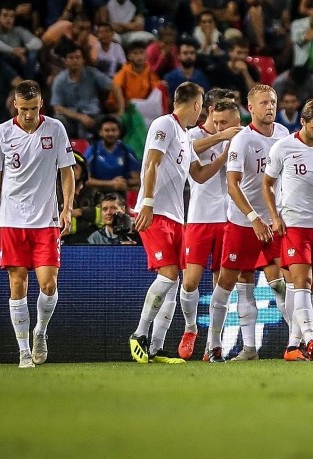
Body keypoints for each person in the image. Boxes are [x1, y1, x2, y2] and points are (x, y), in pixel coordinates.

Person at [127, 82, 233, 364]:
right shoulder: (163, 124)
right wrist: (147, 204)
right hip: (156, 212)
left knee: (173, 283)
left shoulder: (184, 136)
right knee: (168, 276)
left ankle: (156, 348)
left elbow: (197, 174)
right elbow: (151, 163)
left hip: (176, 216)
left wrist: (223, 156)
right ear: (197, 105)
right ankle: (139, 334)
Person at [0, 80, 76, 368]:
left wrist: (68, 208)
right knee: (17, 284)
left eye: (33, 109)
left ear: (41, 105)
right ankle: (23, 350)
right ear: (15, 104)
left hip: (46, 220)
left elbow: (67, 172)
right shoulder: (1, 133)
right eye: (23, 109)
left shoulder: (55, 129)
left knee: (48, 285)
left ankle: (40, 332)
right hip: (11, 221)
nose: (28, 115)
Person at [207, 84, 290, 362]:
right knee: (228, 286)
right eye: (264, 102)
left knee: (281, 285)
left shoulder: (283, 134)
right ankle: (215, 346)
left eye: (273, 102)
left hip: (274, 222)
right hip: (243, 223)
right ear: (250, 107)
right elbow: (232, 185)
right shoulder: (243, 140)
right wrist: (254, 218)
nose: (270, 107)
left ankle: (297, 344)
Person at [261, 99, 313, 361]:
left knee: (311, 286)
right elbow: (267, 184)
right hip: (294, 225)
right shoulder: (283, 147)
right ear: (303, 122)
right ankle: (310, 337)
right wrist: (274, 216)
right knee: (301, 281)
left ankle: (293, 346)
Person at [177, 96, 242, 360]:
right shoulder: (193, 134)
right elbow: (199, 174)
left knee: (222, 286)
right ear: (210, 112)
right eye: (216, 121)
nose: (220, 126)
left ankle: (213, 345)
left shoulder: (241, 137)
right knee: (190, 281)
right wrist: (222, 142)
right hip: (199, 218)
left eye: (225, 123)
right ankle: (190, 327)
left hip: (228, 219)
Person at [51, 45, 125, 140]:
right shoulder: (59, 80)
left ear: (83, 60)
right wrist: (80, 117)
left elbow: (114, 87)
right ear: (65, 61)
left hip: (94, 117)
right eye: (71, 58)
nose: (75, 61)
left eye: (78, 57)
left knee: (115, 123)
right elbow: (57, 107)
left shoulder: (92, 73)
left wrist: (121, 111)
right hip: (71, 119)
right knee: (58, 120)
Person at [83, 116, 140, 193]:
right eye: (107, 130)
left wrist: (122, 182)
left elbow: (137, 180)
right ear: (100, 132)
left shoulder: (127, 151)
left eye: (114, 130)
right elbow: (86, 180)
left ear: (119, 132)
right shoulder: (93, 150)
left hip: (121, 191)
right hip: (97, 193)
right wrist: (110, 184)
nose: (110, 133)